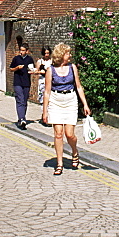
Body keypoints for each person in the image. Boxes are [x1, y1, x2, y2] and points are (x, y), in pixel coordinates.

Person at [42, 43, 91, 175]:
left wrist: (85, 104)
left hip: (70, 100)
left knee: (69, 134)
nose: (70, 55)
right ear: (61, 55)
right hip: (55, 101)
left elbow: (79, 87)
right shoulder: (50, 70)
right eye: (67, 53)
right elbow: (46, 92)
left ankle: (75, 152)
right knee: (58, 133)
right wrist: (45, 111)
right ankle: (59, 163)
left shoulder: (72, 67)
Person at [9, 42, 35, 129]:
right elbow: (11, 69)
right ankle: (21, 119)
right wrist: (17, 68)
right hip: (17, 83)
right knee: (19, 100)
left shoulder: (30, 59)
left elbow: (32, 69)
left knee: (24, 101)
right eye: (20, 50)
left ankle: (23, 117)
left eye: (23, 50)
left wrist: (32, 71)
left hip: (26, 83)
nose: (21, 52)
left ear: (27, 51)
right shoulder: (16, 59)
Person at [35, 46, 53, 125]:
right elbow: (36, 71)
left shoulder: (52, 61)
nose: (46, 55)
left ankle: (48, 116)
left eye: (48, 53)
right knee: (43, 99)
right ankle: (45, 117)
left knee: (50, 99)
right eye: (45, 53)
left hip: (51, 81)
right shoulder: (40, 61)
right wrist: (40, 71)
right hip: (42, 80)